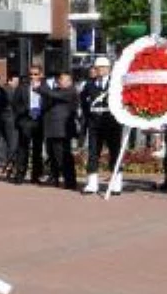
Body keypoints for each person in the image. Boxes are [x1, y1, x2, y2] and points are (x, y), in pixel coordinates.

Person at [81, 57, 123, 195]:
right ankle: (92, 183)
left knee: (115, 153)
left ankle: (116, 183)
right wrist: (87, 121)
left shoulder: (116, 84)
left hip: (112, 124)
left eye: (102, 67)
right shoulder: (89, 84)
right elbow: (84, 103)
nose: (99, 70)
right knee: (93, 153)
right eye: (97, 68)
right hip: (95, 125)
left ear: (108, 68)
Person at [42, 72, 79, 190]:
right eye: (59, 79)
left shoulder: (71, 91)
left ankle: (70, 182)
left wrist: (41, 86)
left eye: (62, 79)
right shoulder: (56, 90)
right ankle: (55, 177)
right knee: (52, 154)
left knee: (64, 156)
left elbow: (53, 95)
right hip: (52, 128)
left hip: (63, 129)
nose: (59, 81)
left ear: (69, 81)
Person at [12, 65, 47, 185]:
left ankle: (36, 176)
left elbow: (49, 103)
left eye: (36, 74)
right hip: (26, 121)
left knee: (37, 150)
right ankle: (20, 175)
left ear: (41, 75)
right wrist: (25, 112)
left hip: (39, 122)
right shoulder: (22, 87)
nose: (33, 76)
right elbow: (15, 104)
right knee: (23, 149)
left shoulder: (45, 87)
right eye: (31, 74)